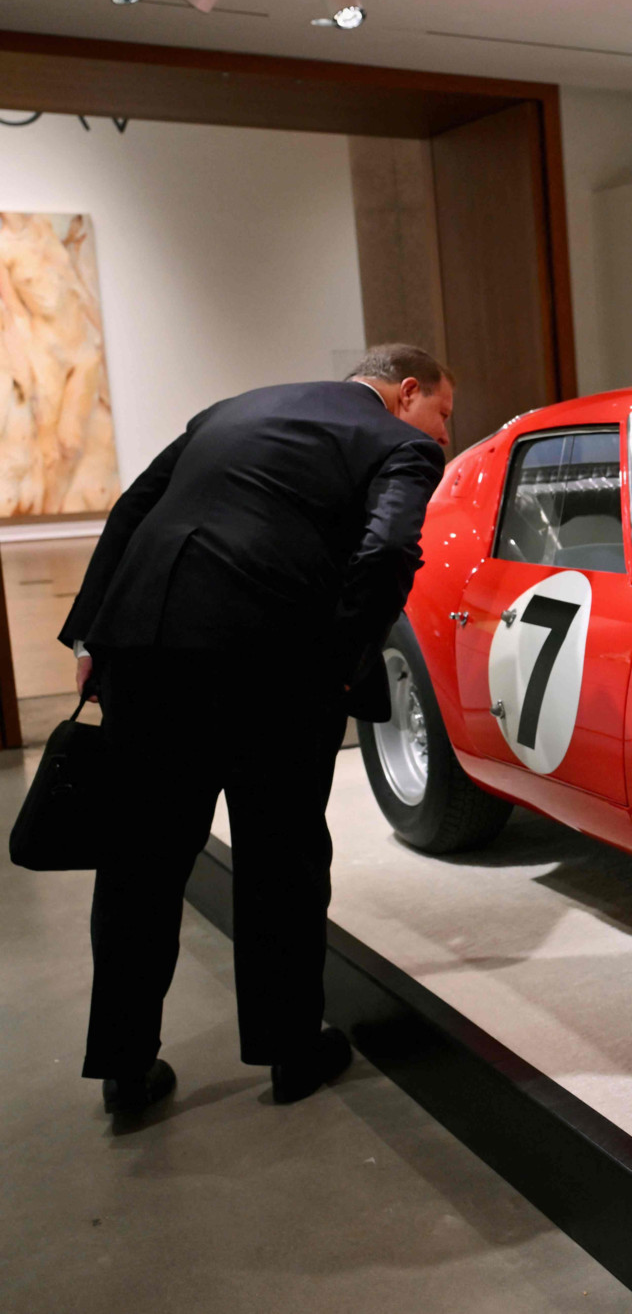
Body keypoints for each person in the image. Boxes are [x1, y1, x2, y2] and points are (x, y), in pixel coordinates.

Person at [60, 344, 453, 1114]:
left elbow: (133, 510)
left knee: (140, 863)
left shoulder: (229, 410)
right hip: (272, 663)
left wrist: (92, 636)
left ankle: (124, 1070)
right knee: (281, 858)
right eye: (445, 411)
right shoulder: (400, 445)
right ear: (408, 393)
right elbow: (388, 551)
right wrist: (339, 659)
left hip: (146, 646)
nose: (443, 431)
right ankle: (291, 1052)